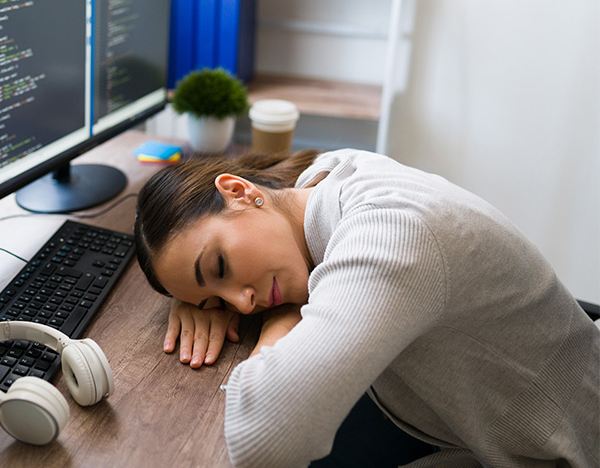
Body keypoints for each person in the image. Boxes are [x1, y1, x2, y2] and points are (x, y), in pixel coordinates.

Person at [134, 148, 599, 468]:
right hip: (463, 419)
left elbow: (265, 441)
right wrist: (198, 295)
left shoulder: (390, 234)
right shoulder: (328, 176)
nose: (241, 301)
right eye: (217, 300)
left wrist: (279, 320)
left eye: (219, 266)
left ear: (238, 191)